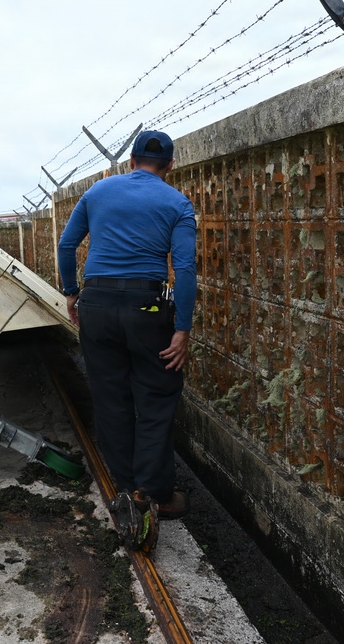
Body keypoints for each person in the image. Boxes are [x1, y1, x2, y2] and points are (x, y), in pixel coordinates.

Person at [57, 130, 196, 521]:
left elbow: (67, 246)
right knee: (155, 398)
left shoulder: (97, 192)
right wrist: (182, 329)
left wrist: (72, 293)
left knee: (110, 396)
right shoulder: (177, 203)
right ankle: (154, 495)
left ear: (130, 161)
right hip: (148, 309)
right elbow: (184, 269)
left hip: (96, 304)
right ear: (169, 166)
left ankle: (123, 488)